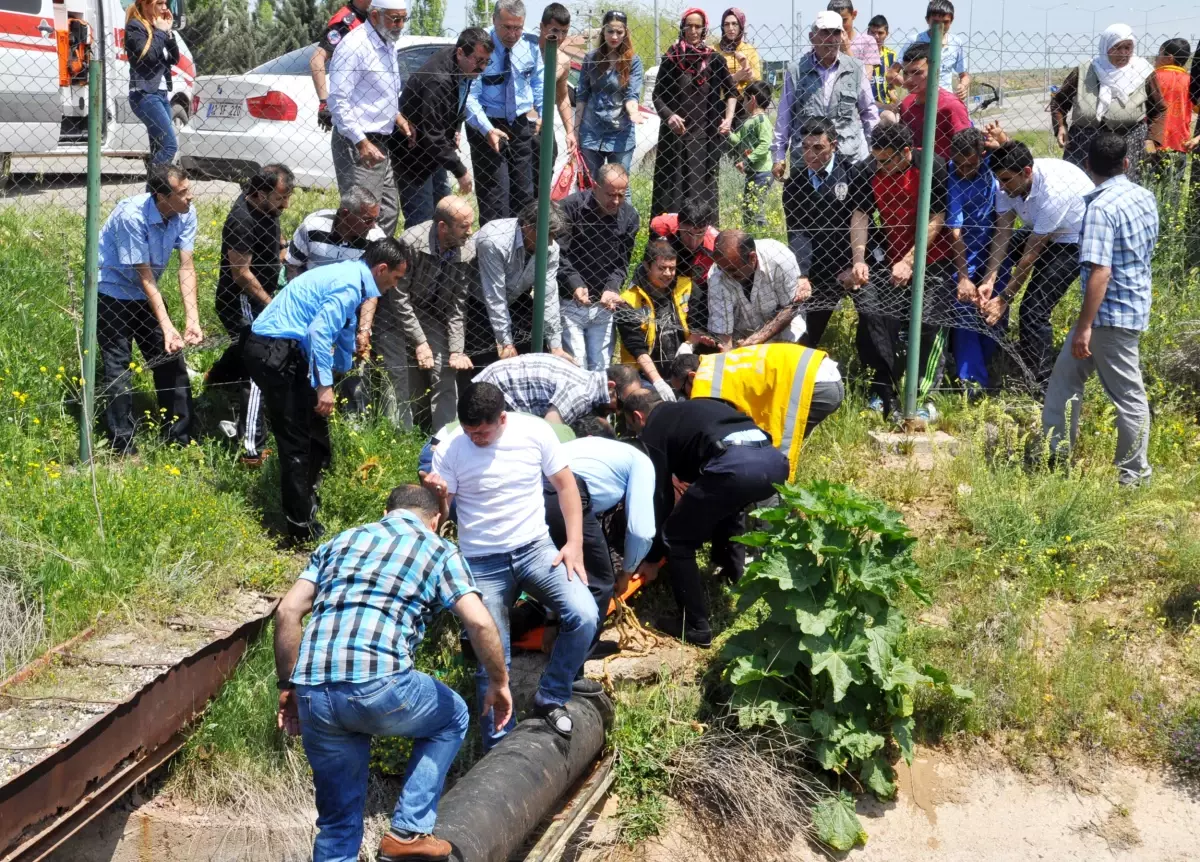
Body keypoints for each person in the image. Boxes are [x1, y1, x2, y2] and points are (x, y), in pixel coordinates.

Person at [274, 484, 511, 862]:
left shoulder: (340, 541)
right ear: (435, 520)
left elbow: (287, 612)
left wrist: (288, 686)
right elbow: (480, 624)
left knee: (337, 824)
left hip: (314, 692)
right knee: (452, 717)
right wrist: (499, 682)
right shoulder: (438, 548)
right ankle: (408, 831)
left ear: (387, 511)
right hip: (379, 682)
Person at [425, 383, 600, 746]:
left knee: (584, 614)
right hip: (481, 559)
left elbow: (566, 486)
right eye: (470, 432)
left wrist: (574, 544)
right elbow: (440, 519)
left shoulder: (534, 431)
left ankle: (550, 696)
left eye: (483, 432)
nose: (476, 438)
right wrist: (440, 497)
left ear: (502, 419)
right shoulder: (453, 449)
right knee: (491, 653)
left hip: (535, 548)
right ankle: (498, 745)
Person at [246, 239, 411, 544]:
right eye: (396, 278)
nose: (395, 286)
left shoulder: (352, 278)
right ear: (382, 269)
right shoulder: (349, 284)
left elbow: (344, 330)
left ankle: (311, 500)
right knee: (295, 443)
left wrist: (342, 367)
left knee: (315, 431)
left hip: (288, 351)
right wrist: (324, 386)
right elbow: (319, 332)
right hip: (274, 351)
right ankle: (300, 531)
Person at [623, 390, 789, 647]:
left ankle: (696, 627)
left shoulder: (654, 428)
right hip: (774, 461)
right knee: (729, 505)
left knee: (676, 538)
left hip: (735, 465)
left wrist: (654, 557)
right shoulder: (695, 408)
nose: (637, 434)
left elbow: (661, 496)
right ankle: (733, 573)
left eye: (633, 427)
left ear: (638, 416)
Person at [1041, 132, 1158, 487]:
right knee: (1064, 379)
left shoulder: (1100, 208)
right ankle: (1055, 456)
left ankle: (1133, 475)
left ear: (1087, 165)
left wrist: (1084, 326)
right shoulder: (1144, 196)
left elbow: (1100, 270)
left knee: (1127, 394)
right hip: (1131, 306)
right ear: (1126, 163)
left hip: (1108, 317)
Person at [781, 118, 895, 410]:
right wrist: (803, 275)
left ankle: (884, 390)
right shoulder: (794, 186)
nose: (810, 155)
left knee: (873, 319)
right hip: (819, 270)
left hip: (856, 265)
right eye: (804, 148)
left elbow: (863, 220)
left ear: (833, 145)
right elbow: (799, 233)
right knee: (804, 326)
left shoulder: (854, 174)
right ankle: (799, 386)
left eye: (818, 147)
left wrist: (856, 264)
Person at [96, 164, 201, 456]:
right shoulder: (132, 216)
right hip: (113, 292)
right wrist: (167, 326)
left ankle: (180, 440)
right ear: (161, 196)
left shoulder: (184, 212)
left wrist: (192, 319)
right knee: (119, 369)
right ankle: (123, 445)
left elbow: (187, 266)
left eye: (189, 189)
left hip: (146, 293)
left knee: (171, 358)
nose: (190, 197)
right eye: (182, 193)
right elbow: (144, 277)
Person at [972, 140, 1093, 391]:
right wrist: (990, 280)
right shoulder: (1006, 187)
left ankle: (1042, 384)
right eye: (999, 180)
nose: (1002, 187)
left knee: (1032, 309)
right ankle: (997, 336)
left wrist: (1005, 298)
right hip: (1041, 230)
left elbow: (1031, 255)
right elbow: (1003, 233)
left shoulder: (1053, 190)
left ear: (1027, 172)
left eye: (1006, 180)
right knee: (988, 260)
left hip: (1074, 239)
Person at [853, 122, 952, 418]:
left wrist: (910, 261)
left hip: (934, 257)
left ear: (906, 152)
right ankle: (884, 390)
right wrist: (859, 258)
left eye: (886, 160)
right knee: (882, 321)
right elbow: (861, 215)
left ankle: (925, 398)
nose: (879, 166)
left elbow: (938, 217)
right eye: (876, 158)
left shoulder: (931, 165)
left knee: (928, 324)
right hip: (893, 258)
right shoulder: (868, 169)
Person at [207, 165, 294, 467]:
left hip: (264, 296)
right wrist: (273, 304)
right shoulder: (240, 220)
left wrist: (282, 251)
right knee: (259, 363)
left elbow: (275, 231)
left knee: (246, 350)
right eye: (281, 198)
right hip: (240, 300)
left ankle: (216, 379)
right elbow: (241, 274)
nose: (286, 205)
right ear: (259, 193)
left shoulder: (269, 207)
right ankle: (251, 448)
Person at [669, 342, 845, 480]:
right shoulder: (715, 362)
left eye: (683, 390)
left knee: (772, 454)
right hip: (820, 371)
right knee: (767, 449)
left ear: (692, 376)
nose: (685, 397)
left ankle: (771, 517)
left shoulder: (705, 383)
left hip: (815, 386)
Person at [374, 197, 476, 431]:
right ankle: (401, 441)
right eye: (464, 226)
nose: (470, 232)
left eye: (471, 224)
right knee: (397, 375)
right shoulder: (411, 242)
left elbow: (457, 306)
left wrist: (456, 350)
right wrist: (420, 342)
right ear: (443, 227)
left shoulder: (467, 250)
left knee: (445, 370)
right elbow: (398, 297)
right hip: (393, 314)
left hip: (431, 316)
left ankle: (446, 438)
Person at [326, 0, 412, 238]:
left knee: (387, 211)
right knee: (361, 216)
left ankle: (374, 264)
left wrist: (396, 116)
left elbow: (379, 91)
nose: (400, 25)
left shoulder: (387, 42)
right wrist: (361, 142)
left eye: (404, 18)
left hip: (380, 142)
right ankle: (349, 263)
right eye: (395, 19)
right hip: (357, 143)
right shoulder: (355, 45)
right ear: (374, 16)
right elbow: (338, 100)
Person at [394, 28, 493, 227]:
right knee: (421, 219)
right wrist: (461, 171)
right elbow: (433, 135)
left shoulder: (460, 66)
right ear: (460, 53)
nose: (482, 68)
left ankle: (442, 256)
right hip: (412, 154)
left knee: (446, 212)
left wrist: (455, 127)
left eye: (486, 62)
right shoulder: (438, 80)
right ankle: (418, 257)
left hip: (435, 153)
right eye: (478, 60)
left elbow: (458, 100)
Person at [1050, 23, 1165, 185]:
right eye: (1116, 48)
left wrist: (1152, 139)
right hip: (1085, 143)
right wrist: (1061, 126)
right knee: (1081, 188)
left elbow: (1159, 109)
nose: (1124, 53)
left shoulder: (1142, 71)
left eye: (1128, 47)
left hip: (1128, 142)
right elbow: (1059, 102)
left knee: (1122, 190)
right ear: (1105, 47)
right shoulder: (1085, 70)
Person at [651, 8, 737, 222]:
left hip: (704, 140)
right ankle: (668, 245)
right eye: (689, 25)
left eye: (697, 26)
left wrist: (728, 118)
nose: (693, 30)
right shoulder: (672, 58)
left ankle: (704, 246)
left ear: (704, 29)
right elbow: (657, 95)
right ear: (682, 27)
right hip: (675, 141)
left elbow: (732, 92)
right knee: (673, 196)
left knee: (701, 197)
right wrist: (670, 116)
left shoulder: (714, 60)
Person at [465, 0, 544, 225]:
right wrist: (487, 129)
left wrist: (542, 112)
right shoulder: (480, 47)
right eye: (506, 27)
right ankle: (494, 251)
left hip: (519, 123)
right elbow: (470, 95)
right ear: (494, 21)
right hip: (486, 123)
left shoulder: (529, 44)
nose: (512, 34)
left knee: (524, 192)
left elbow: (539, 80)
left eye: (517, 27)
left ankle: (519, 250)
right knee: (495, 196)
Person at [771, 11, 880, 171]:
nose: (831, 39)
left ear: (842, 35)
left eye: (836, 32)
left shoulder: (856, 68)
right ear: (812, 37)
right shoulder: (796, 70)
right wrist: (778, 156)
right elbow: (784, 116)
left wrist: (875, 151)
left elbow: (869, 113)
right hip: (806, 161)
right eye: (825, 33)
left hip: (847, 159)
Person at [557, 164, 640, 370]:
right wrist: (574, 284)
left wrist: (612, 288)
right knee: (576, 364)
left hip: (604, 303)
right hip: (569, 300)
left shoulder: (629, 216)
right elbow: (558, 255)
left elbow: (622, 263)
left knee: (600, 366)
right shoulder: (570, 208)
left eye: (621, 195)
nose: (616, 201)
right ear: (595, 187)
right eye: (611, 194)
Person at [947, 128, 1010, 393]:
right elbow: (955, 231)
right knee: (964, 311)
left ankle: (990, 364)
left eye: (970, 164)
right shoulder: (951, 177)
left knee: (995, 307)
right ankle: (971, 381)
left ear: (981, 156)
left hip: (996, 248)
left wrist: (1003, 141)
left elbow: (1014, 155)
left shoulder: (990, 159)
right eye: (959, 164)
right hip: (965, 255)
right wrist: (963, 276)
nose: (964, 170)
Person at [560, 433, 657, 602]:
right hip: (570, 491)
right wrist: (626, 574)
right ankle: (581, 625)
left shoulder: (598, 445)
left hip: (539, 484)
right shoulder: (642, 462)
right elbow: (641, 532)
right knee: (602, 583)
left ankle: (550, 617)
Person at [474, 200, 570, 362]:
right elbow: (494, 295)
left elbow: (549, 297)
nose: (549, 242)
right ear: (527, 226)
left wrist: (556, 347)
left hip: (516, 298)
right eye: (546, 235)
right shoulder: (494, 240)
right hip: (477, 302)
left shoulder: (551, 249)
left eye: (553, 236)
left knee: (534, 357)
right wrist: (506, 343)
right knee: (485, 365)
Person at [575, 11, 645, 190]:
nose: (614, 36)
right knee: (591, 186)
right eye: (610, 31)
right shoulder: (591, 59)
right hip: (591, 132)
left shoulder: (633, 61)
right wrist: (575, 131)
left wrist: (633, 112)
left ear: (626, 33)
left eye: (619, 32)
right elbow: (582, 96)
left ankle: (623, 219)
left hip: (620, 133)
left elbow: (632, 95)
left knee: (620, 187)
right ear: (603, 32)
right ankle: (590, 219)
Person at [707, 229, 810, 351]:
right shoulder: (716, 275)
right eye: (722, 269)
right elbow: (724, 335)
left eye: (732, 270)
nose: (727, 275)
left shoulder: (779, 258)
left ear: (752, 258)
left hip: (784, 332)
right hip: (742, 339)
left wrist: (759, 338)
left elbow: (791, 308)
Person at [616, 239, 692, 399]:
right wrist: (657, 381)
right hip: (643, 374)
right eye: (661, 268)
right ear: (646, 265)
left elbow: (699, 322)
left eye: (672, 268)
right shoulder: (628, 300)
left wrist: (689, 344)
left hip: (682, 368)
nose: (668, 274)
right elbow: (636, 347)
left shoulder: (685, 288)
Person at [471, 354, 622, 426]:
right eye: (620, 404)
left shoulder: (590, 381)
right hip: (494, 392)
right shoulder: (583, 394)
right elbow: (550, 430)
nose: (618, 412)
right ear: (610, 386)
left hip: (499, 387)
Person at [285, 187, 386, 279]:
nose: (373, 226)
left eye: (375, 219)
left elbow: (379, 280)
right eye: (368, 220)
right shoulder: (313, 226)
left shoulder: (376, 238)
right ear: (345, 214)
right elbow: (292, 265)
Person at [124, 0, 180, 166]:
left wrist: (168, 33)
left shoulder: (159, 28)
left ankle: (154, 191)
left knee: (158, 149)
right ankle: (158, 187)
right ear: (146, 4)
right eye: (160, 3)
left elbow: (174, 58)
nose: (165, 8)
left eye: (166, 3)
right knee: (170, 146)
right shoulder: (135, 27)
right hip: (144, 94)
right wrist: (161, 32)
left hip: (161, 94)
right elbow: (148, 57)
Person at [649, 206, 720, 333]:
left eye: (700, 233)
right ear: (679, 224)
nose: (693, 242)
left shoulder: (716, 245)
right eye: (688, 233)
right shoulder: (660, 226)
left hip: (696, 282)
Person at [898, 41, 971, 160]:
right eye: (906, 73)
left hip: (943, 174)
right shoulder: (907, 103)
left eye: (917, 72)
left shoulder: (951, 105)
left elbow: (967, 148)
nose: (909, 79)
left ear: (933, 70)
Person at [534, 4, 577, 201]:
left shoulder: (563, 60)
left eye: (564, 32)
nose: (559, 37)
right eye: (554, 30)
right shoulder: (528, 52)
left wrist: (570, 131)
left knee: (541, 184)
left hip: (545, 128)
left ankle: (537, 224)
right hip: (521, 125)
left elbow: (562, 97)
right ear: (542, 27)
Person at [309, 0, 371, 131]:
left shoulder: (371, 18)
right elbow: (317, 59)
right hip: (351, 109)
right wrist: (324, 103)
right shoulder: (345, 23)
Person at [895, 0, 970, 101]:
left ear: (952, 21)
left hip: (945, 100)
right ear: (927, 20)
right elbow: (892, 73)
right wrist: (912, 85)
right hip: (920, 100)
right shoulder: (915, 40)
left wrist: (963, 85)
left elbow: (964, 75)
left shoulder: (956, 42)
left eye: (945, 22)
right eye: (936, 22)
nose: (940, 26)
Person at [728, 81, 775, 229]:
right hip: (752, 172)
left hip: (762, 172)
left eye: (745, 99)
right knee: (748, 207)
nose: (743, 103)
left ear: (752, 100)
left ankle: (762, 233)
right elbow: (737, 139)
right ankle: (749, 234)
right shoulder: (750, 121)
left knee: (756, 207)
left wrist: (747, 161)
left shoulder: (762, 121)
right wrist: (726, 131)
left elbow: (764, 145)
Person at [1148, 39, 1195, 178]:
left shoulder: (1152, 77)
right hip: (1180, 143)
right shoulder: (1191, 81)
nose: (1157, 57)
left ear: (1169, 58)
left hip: (1152, 141)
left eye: (1160, 53)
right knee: (1172, 191)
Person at [715, 7, 762, 127]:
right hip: (719, 103)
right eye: (726, 24)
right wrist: (736, 77)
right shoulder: (714, 50)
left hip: (744, 104)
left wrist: (748, 72)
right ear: (722, 27)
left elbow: (757, 80)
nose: (730, 28)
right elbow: (711, 80)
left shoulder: (749, 50)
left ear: (741, 26)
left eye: (734, 24)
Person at [827, 0, 880, 70]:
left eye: (844, 20)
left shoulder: (867, 42)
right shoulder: (824, 41)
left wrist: (847, 49)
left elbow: (865, 77)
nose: (839, 25)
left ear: (854, 15)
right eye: (834, 21)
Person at [866, 15, 899, 110]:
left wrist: (897, 102)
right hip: (867, 105)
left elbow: (892, 86)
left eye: (880, 33)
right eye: (872, 33)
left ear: (887, 34)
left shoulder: (891, 56)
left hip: (887, 104)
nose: (876, 37)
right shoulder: (860, 56)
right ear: (867, 32)